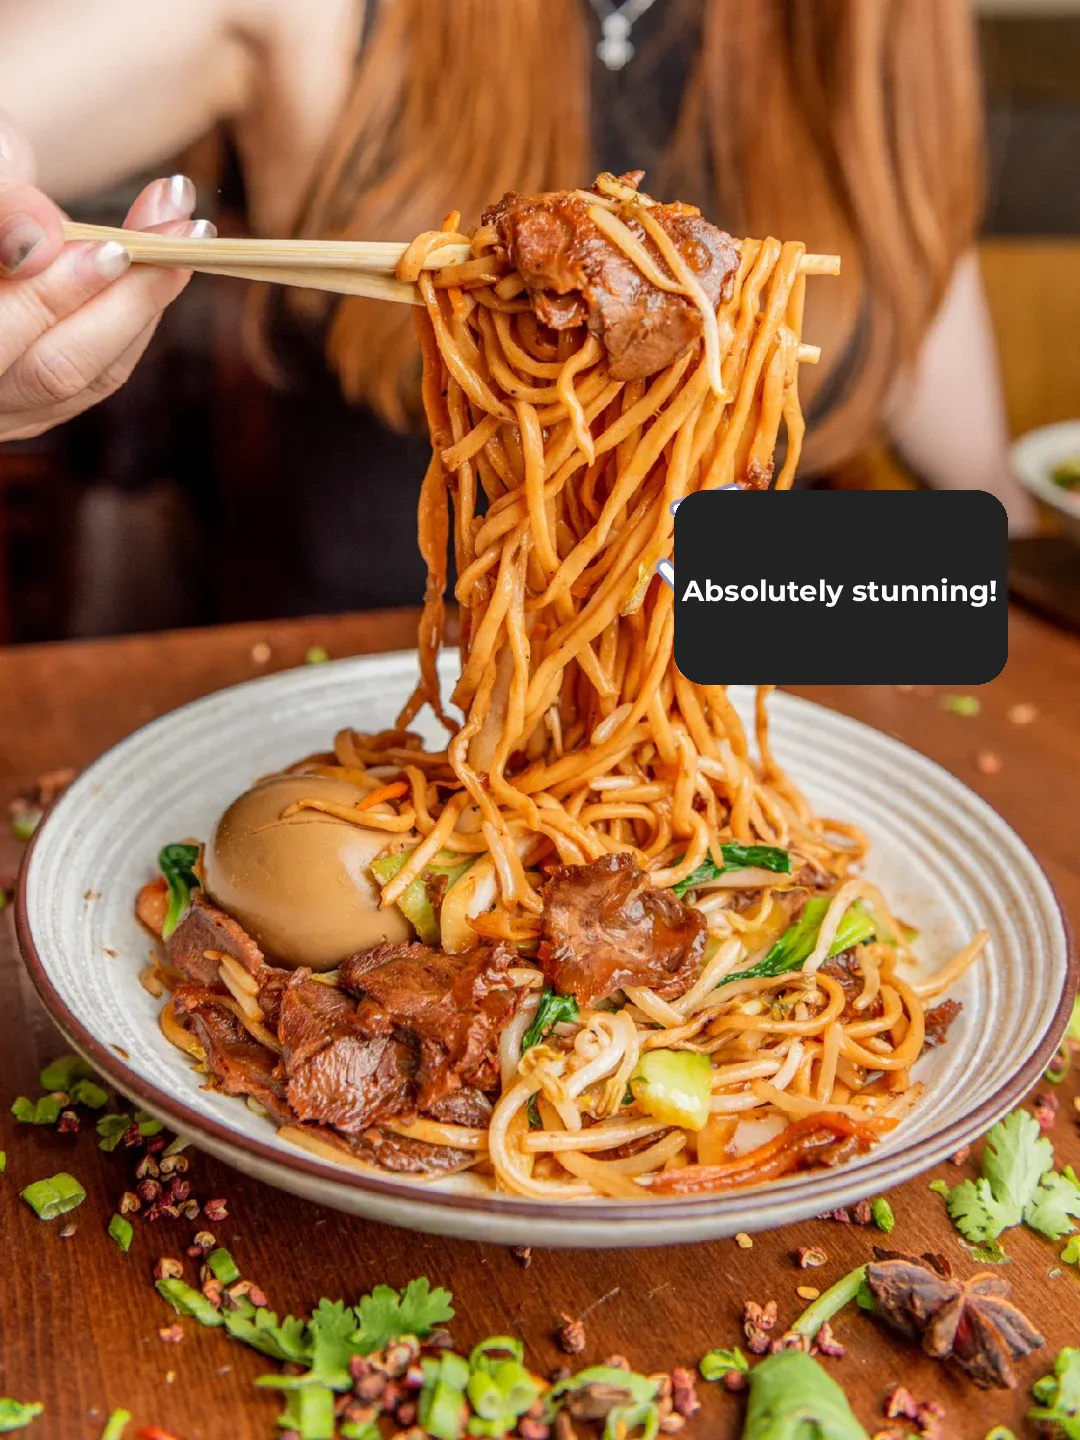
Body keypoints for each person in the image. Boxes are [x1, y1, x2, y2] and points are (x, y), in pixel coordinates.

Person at [0, 0, 1035, 614]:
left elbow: (974, 546)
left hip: (762, 769)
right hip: (347, 750)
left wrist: (698, 593)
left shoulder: (868, 37)